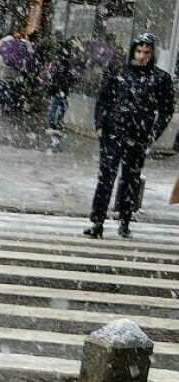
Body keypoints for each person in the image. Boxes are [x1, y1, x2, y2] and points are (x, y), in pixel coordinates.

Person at [87, 33, 174, 237]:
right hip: (113, 133)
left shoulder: (160, 79)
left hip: (138, 136)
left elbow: (166, 110)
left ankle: (125, 222)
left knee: (130, 179)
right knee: (106, 177)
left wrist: (153, 134)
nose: (142, 56)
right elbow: (103, 99)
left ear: (152, 54)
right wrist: (100, 124)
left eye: (147, 52)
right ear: (133, 51)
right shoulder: (118, 72)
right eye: (139, 51)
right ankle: (97, 222)